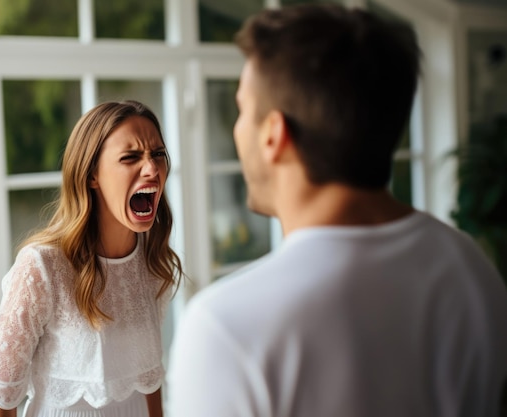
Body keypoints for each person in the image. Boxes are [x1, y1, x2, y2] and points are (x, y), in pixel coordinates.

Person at [167, 4, 507, 417]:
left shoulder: (226, 330)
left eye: (242, 110)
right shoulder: (470, 266)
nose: (238, 128)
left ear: (274, 134)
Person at [0, 100, 183, 417]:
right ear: (91, 175)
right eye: (131, 157)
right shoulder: (41, 267)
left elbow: (150, 380)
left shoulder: (153, 262)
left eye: (158, 154)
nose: (152, 169)